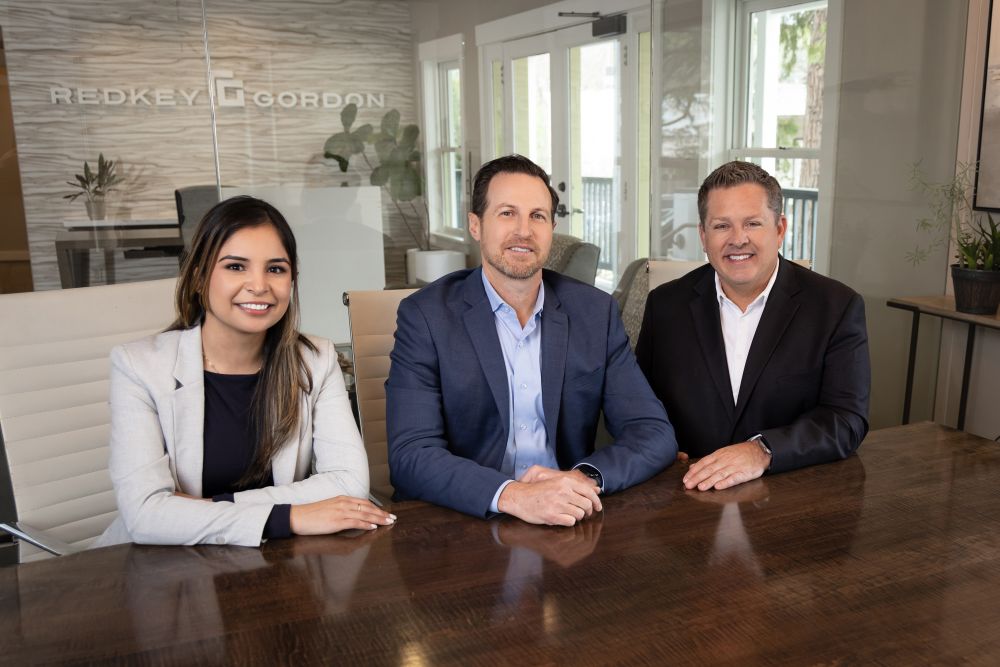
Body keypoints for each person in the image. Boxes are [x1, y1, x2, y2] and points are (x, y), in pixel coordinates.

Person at [386, 154, 677, 526]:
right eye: (507, 213)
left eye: (537, 216)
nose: (524, 230)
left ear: (552, 228)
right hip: (465, 521)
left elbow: (653, 432)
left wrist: (582, 478)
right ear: (476, 225)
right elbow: (412, 454)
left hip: (567, 514)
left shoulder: (593, 312)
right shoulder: (425, 316)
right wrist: (514, 496)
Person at [98, 195, 394, 547]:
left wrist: (207, 508)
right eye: (236, 266)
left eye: (276, 268)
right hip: (165, 571)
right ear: (198, 277)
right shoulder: (139, 366)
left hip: (276, 563)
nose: (259, 285)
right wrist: (290, 515)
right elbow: (145, 515)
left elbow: (348, 483)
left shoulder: (316, 359)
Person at [636, 161, 870, 492]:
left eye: (753, 223)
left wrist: (763, 450)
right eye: (721, 226)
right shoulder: (665, 306)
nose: (738, 239)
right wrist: (656, 445)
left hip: (790, 498)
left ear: (779, 229)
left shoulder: (836, 306)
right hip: (687, 495)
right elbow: (640, 404)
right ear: (703, 236)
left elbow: (846, 420)